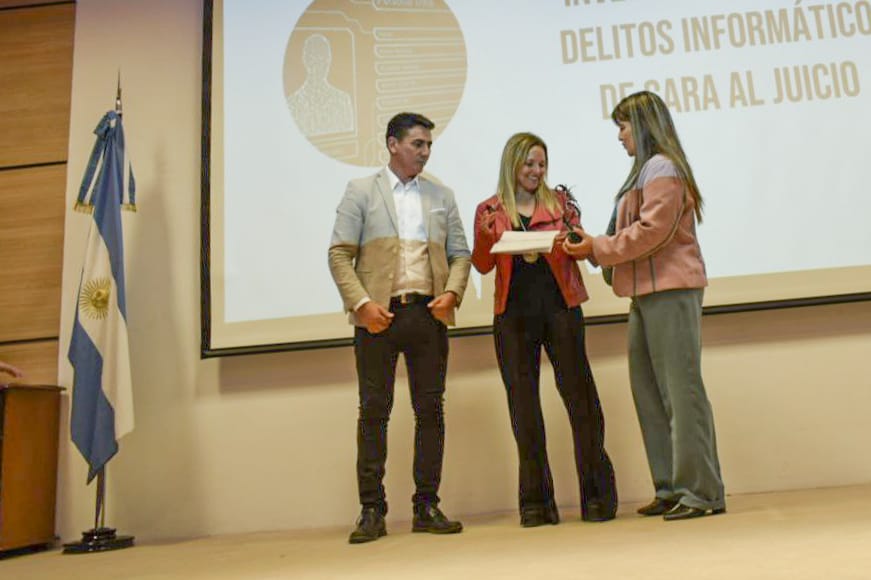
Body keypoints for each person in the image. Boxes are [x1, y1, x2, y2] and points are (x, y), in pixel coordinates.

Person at [564, 91, 726, 521]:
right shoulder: (644, 171)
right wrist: (595, 245)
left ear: (642, 125)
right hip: (645, 294)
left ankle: (700, 491)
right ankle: (671, 486)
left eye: (622, 126)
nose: (619, 135)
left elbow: (652, 231)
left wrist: (597, 247)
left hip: (671, 291)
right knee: (651, 393)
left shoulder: (662, 168)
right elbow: (635, 232)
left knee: (681, 393)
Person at [328, 112, 471, 543]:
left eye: (428, 145)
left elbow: (461, 254)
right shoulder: (361, 191)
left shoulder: (441, 194)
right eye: (417, 144)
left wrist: (453, 292)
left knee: (430, 410)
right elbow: (339, 254)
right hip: (377, 316)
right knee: (374, 411)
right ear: (393, 144)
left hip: (427, 314)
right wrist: (362, 304)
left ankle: (427, 505)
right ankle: (372, 510)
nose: (425, 152)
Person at [471, 132, 618, 526]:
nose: (536, 171)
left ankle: (597, 498)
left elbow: (579, 248)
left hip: (560, 310)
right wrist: (485, 234)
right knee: (524, 409)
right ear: (512, 164)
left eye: (541, 164)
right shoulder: (489, 209)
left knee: (582, 402)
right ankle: (536, 503)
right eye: (529, 164)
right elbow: (482, 265)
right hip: (513, 317)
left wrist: (570, 237)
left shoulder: (560, 203)